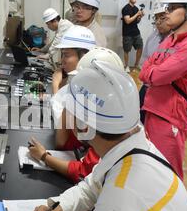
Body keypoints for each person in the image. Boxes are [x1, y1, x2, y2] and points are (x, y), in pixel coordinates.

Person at [29, 59, 187, 211]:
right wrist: (58, 207)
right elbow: (92, 187)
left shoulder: (129, 188)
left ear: (83, 127)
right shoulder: (130, 149)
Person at [139, 0, 187, 180]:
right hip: (153, 110)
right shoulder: (171, 39)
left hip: (170, 119)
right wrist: (152, 72)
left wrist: (152, 72)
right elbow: (145, 70)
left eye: (172, 8)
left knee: (167, 174)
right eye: (167, 8)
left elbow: (156, 76)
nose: (166, 13)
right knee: (150, 167)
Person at [29, 47, 124, 184]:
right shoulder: (106, 107)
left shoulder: (108, 124)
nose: (62, 61)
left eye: (66, 55)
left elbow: (83, 171)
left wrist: (44, 156)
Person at [139, 2, 171, 124]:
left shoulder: (177, 41)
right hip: (147, 86)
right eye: (156, 18)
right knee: (139, 118)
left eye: (162, 18)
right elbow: (145, 61)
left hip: (163, 93)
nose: (158, 22)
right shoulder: (153, 37)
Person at [50, 25, 96, 95]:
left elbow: (59, 106)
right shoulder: (78, 79)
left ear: (84, 57)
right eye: (62, 55)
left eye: (66, 55)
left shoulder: (91, 87)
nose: (62, 61)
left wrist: (55, 85)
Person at [122, 0, 144, 73]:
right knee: (126, 50)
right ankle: (126, 66)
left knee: (140, 47)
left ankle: (136, 64)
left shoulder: (136, 8)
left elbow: (136, 21)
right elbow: (127, 21)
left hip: (136, 32)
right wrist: (137, 14)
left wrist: (140, 16)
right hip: (127, 33)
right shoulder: (125, 9)